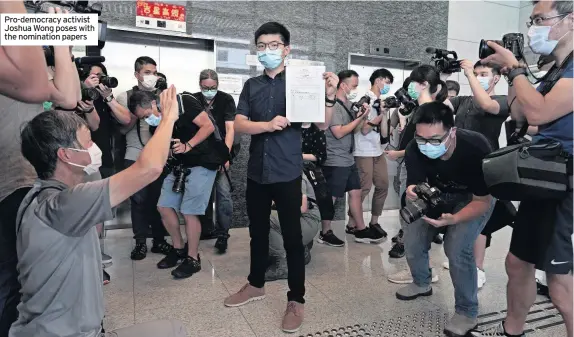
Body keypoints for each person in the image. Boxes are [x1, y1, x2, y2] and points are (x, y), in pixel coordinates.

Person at [11, 86, 187, 337]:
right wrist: (168, 117)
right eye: (88, 142)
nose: (94, 147)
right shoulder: (63, 204)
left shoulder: (40, 198)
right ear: (66, 155)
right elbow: (148, 169)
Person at [223, 21, 339, 333]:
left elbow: (323, 125)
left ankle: (296, 299)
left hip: (287, 171)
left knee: (291, 239)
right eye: (261, 46)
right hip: (257, 173)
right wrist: (267, 124)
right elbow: (240, 124)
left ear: (286, 49)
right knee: (256, 234)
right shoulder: (252, 86)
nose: (267, 51)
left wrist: (329, 95)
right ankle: (256, 284)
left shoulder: (303, 82)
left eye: (273, 45)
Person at [472, 1, 573, 336]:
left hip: (565, 182)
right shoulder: (556, 69)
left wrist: (515, 68)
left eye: (540, 19)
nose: (534, 28)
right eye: (531, 20)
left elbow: (540, 114)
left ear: (570, 20)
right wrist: (509, 73)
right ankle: (511, 328)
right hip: (544, 177)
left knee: (559, 281)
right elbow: (520, 115)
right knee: (517, 264)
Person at [0, 8, 80, 335]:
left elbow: (70, 96)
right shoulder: (22, 69)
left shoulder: (28, 67)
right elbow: (34, 84)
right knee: (11, 279)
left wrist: (62, 41)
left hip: (27, 184)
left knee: (28, 276)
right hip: (9, 187)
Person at [395, 102, 494, 337]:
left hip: (473, 198)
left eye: (435, 139)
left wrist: (455, 219)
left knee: (457, 248)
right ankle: (421, 282)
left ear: (452, 131)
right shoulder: (413, 147)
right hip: (435, 194)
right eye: (421, 138)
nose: (427, 145)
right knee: (413, 236)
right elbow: (415, 182)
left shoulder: (476, 147)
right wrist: (411, 190)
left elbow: (483, 201)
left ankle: (467, 312)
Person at [441, 60, 510, 290]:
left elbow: (486, 104)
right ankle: (460, 254)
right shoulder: (463, 101)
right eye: (476, 72)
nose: (479, 76)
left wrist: (469, 74)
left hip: (485, 168)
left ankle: (478, 268)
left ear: (496, 77)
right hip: (459, 168)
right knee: (460, 213)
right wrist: (441, 77)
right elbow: (441, 103)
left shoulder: (501, 101)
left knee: (483, 222)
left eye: (484, 73)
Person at [156, 90, 224, 279]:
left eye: (148, 114)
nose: (149, 119)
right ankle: (178, 248)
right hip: (180, 164)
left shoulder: (184, 102)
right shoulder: (161, 118)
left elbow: (208, 126)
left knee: (189, 211)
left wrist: (188, 145)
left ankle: (193, 257)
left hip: (203, 161)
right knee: (164, 206)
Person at [385, 66, 447, 266]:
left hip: (419, 170)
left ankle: (417, 263)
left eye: (413, 82)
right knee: (407, 206)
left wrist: (399, 153)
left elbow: (426, 145)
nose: (410, 86)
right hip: (409, 166)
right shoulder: (418, 109)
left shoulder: (431, 112)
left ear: (424, 85)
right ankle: (411, 250)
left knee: (414, 211)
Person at [319, 69, 385, 247]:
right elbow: (338, 132)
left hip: (348, 157)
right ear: (343, 85)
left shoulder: (349, 105)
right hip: (335, 158)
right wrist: (360, 119)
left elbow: (355, 130)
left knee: (356, 192)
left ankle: (361, 229)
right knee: (331, 197)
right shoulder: (332, 105)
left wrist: (363, 119)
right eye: (354, 85)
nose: (355, 89)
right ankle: (325, 231)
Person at [115, 56, 173, 260]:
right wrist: (137, 112)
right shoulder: (125, 96)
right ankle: (140, 242)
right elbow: (122, 130)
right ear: (137, 74)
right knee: (138, 202)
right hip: (135, 154)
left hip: (158, 156)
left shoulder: (162, 96)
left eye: (154, 72)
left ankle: (159, 240)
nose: (151, 76)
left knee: (159, 201)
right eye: (147, 72)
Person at [192, 69, 236, 254]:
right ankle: (203, 229)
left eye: (213, 87)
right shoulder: (193, 100)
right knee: (200, 195)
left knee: (224, 194)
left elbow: (230, 128)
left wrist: (225, 155)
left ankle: (223, 234)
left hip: (221, 153)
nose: (209, 91)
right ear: (200, 85)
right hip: (200, 155)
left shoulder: (226, 100)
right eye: (205, 87)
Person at [346, 68, 393, 238]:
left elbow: (384, 132)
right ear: (378, 80)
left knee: (383, 185)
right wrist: (379, 116)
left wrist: (385, 114)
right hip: (363, 150)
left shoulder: (382, 101)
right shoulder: (364, 99)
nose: (388, 85)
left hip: (377, 150)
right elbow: (364, 129)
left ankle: (374, 221)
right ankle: (352, 223)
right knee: (364, 188)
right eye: (387, 82)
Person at [265, 172, 320, 281]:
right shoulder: (283, 172)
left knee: (266, 218)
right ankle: (300, 251)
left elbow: (302, 208)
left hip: (307, 221)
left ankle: (281, 266)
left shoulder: (295, 174)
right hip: (301, 220)